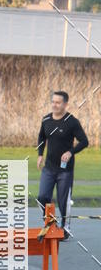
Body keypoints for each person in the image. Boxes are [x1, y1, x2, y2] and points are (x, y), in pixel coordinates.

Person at [36, 91, 88, 240]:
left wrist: (71, 152)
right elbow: (41, 137)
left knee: (63, 200)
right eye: (53, 101)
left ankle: (65, 228)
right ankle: (51, 223)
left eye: (58, 102)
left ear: (65, 104)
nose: (54, 105)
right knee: (42, 197)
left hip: (65, 170)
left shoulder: (72, 122)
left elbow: (84, 141)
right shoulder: (46, 120)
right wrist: (40, 154)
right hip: (49, 168)